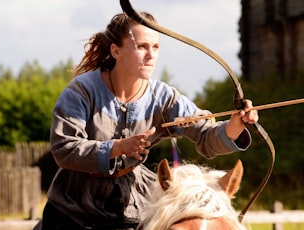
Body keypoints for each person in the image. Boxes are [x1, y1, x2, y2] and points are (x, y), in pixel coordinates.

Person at [34, 11, 258, 230]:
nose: (151, 55)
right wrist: (117, 148)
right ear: (116, 51)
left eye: (156, 47)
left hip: (132, 206)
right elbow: (64, 149)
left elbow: (205, 135)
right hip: (74, 208)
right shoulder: (82, 91)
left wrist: (233, 127)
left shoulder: (163, 98)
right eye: (141, 46)